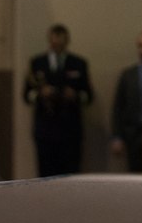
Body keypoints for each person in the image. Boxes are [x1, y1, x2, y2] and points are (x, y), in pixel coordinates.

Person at [23, 24, 93, 177]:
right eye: (54, 39)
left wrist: (75, 95)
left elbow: (88, 96)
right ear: (49, 39)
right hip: (45, 129)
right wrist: (41, 94)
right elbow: (27, 96)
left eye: (61, 39)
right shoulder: (37, 63)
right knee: (45, 174)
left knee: (70, 174)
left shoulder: (78, 63)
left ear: (67, 40)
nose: (57, 43)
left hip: (70, 129)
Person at [110, 30, 142, 173]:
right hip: (134, 135)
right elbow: (118, 107)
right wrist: (117, 137)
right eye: (140, 46)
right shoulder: (128, 75)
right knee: (136, 176)